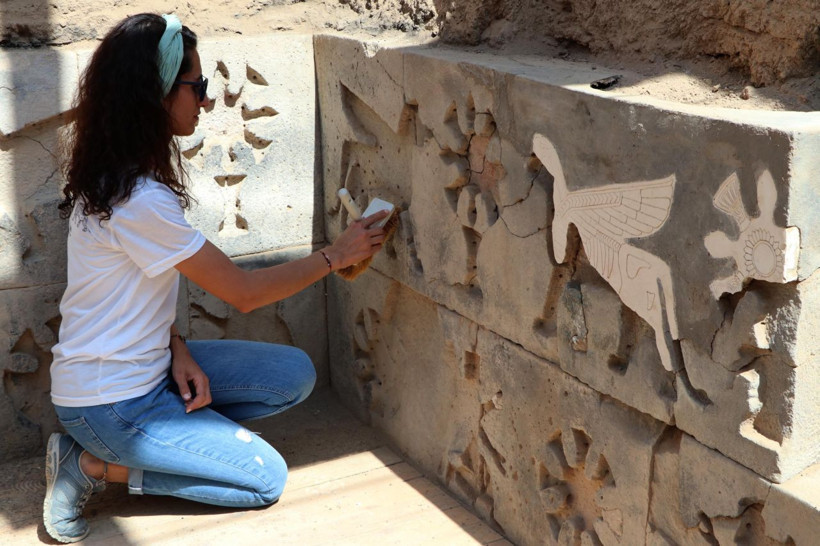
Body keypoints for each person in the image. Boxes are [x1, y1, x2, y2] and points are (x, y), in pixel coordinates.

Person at [43, 13, 387, 544]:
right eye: (198, 86)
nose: (206, 100)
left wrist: (177, 347)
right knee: (264, 480)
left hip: (149, 369)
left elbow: (131, 296)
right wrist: (335, 256)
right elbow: (243, 293)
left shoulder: (121, 176)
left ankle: (192, 441)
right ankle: (89, 465)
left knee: (292, 374)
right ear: (157, 94)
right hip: (108, 403)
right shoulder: (138, 198)